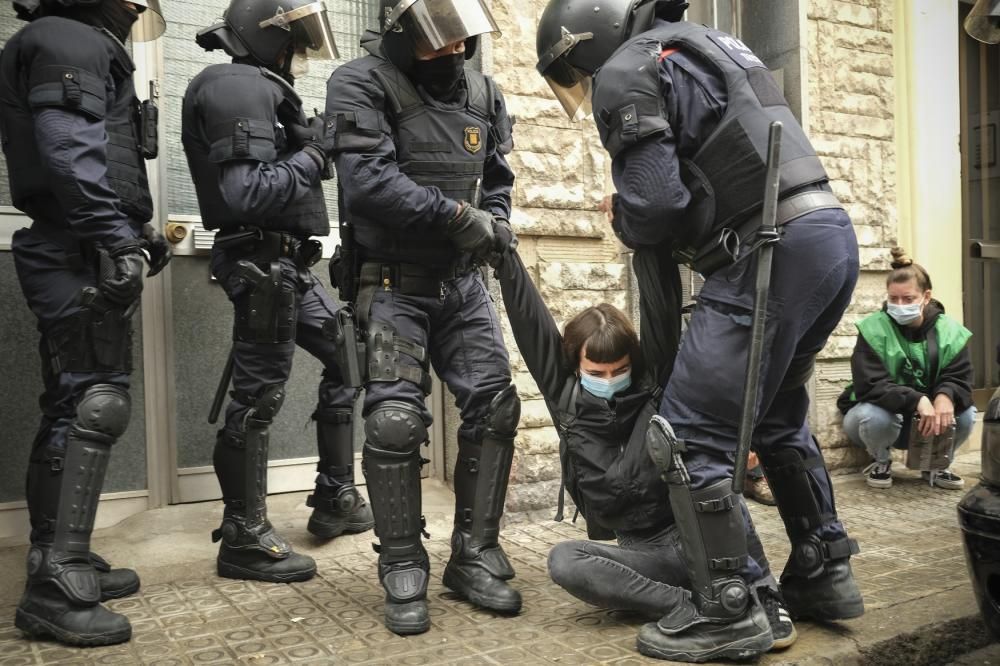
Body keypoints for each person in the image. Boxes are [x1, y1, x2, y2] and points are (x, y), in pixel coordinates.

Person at [536, 0, 863, 661]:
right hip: (827, 237)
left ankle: (732, 608)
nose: (583, 85)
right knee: (774, 419)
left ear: (582, 44)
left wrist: (626, 214)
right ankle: (824, 572)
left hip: (765, 255)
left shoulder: (629, 65)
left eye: (573, 72)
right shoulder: (706, 43)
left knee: (686, 439)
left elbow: (657, 206)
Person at [324, 0, 520, 636]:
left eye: (463, 42)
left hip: (462, 287)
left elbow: (496, 179)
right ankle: (403, 562)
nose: (454, 54)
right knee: (394, 421)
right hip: (390, 285)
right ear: (405, 37)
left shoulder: (485, 95)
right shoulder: (359, 83)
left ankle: (473, 553)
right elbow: (368, 183)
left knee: (495, 407)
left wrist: (496, 219)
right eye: (439, 43)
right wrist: (461, 220)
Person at [492, 248, 796, 648]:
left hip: (700, 536)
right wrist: (504, 256)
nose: (610, 378)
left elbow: (659, 305)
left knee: (713, 478)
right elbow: (531, 324)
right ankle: (698, 607)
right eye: (596, 372)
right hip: (644, 554)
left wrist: (645, 230)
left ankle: (762, 594)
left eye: (619, 369)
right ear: (575, 365)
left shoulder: (653, 382)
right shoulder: (564, 397)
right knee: (564, 561)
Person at [182, 0, 373, 585]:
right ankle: (242, 536)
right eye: (291, 39)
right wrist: (318, 151)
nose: (297, 52)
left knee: (349, 357)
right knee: (258, 399)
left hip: (290, 265)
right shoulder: (234, 84)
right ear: (262, 35)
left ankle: (336, 495)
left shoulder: (260, 86)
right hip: (262, 266)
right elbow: (246, 195)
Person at [0, 0, 167, 646]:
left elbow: (91, 155)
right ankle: (54, 588)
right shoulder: (68, 39)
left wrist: (133, 231)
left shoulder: (67, 39)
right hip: (74, 250)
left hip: (76, 244)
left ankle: (56, 555)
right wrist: (115, 239)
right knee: (93, 404)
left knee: (71, 403)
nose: (134, 3)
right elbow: (69, 156)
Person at [838, 248, 975, 490]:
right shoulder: (873, 329)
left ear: (926, 296)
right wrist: (918, 399)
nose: (900, 305)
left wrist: (946, 395)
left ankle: (936, 464)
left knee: (966, 414)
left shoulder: (951, 332)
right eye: (894, 299)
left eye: (908, 299)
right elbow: (870, 385)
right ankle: (880, 461)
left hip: (927, 426)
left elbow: (960, 376)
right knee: (874, 415)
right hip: (881, 421)